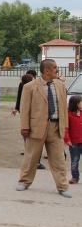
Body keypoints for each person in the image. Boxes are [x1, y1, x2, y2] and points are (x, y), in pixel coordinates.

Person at [16, 59, 71, 197]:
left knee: (59, 159)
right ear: (46, 70)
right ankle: (24, 181)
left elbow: (64, 107)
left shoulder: (60, 85)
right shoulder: (30, 87)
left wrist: (65, 127)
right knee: (31, 157)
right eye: (54, 68)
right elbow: (25, 108)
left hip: (56, 127)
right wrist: (24, 127)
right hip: (36, 128)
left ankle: (62, 186)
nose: (57, 70)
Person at [64, 95, 82, 185]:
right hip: (74, 143)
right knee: (75, 160)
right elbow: (65, 128)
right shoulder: (69, 115)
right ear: (75, 104)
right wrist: (67, 140)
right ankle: (75, 177)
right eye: (80, 102)